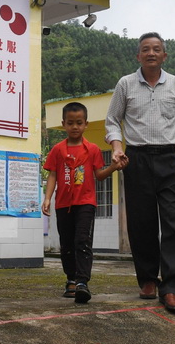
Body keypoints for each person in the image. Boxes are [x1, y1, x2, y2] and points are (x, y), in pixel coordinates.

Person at [105, 32, 175, 315]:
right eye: (145, 49)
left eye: (156, 49)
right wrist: (117, 147)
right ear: (138, 56)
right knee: (141, 222)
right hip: (137, 158)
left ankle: (172, 288)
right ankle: (148, 278)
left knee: (173, 224)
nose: (151, 53)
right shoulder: (125, 84)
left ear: (164, 55)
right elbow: (112, 120)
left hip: (171, 158)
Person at [42, 101, 124, 304]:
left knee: (82, 241)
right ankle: (70, 279)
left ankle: (82, 282)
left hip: (86, 203)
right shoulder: (57, 150)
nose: (75, 127)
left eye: (79, 123)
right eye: (70, 123)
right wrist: (47, 198)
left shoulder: (93, 149)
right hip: (63, 205)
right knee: (67, 244)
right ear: (63, 124)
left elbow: (99, 175)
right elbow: (53, 175)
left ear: (86, 124)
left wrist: (113, 167)